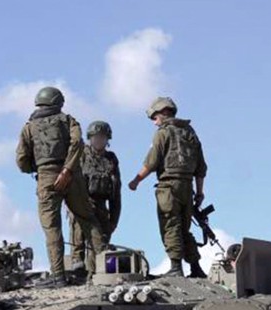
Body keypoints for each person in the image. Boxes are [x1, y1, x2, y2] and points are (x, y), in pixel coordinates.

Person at [16, 86, 106, 285]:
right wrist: (67, 169)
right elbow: (78, 143)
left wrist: (37, 169)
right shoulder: (67, 120)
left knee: (52, 228)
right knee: (87, 219)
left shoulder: (29, 127)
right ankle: (107, 267)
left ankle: (59, 277)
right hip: (72, 175)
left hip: (45, 177)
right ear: (58, 102)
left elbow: (21, 159)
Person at [127, 96, 208, 278]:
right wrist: (200, 193)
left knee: (170, 225)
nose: (155, 123)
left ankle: (176, 267)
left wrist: (136, 181)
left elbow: (152, 162)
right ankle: (195, 267)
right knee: (184, 229)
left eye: (155, 118)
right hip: (188, 187)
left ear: (163, 113)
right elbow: (201, 168)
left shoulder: (163, 133)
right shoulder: (190, 133)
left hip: (168, 187)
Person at [67, 121, 121, 269]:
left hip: (101, 206)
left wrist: (114, 220)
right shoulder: (81, 155)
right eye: (95, 137)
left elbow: (116, 193)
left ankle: (94, 272)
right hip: (81, 203)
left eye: (102, 138)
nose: (98, 141)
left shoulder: (111, 160)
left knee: (100, 245)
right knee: (78, 238)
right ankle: (77, 264)